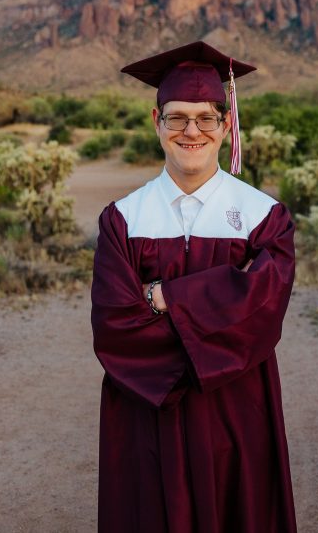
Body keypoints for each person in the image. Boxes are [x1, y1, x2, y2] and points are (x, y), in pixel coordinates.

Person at [90, 41, 298, 532]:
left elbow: (263, 310)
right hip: (148, 412)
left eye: (206, 118)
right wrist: (219, 305)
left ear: (226, 125)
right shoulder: (123, 219)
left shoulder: (263, 217)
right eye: (177, 118)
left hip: (236, 413)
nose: (191, 131)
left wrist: (163, 298)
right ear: (156, 122)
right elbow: (115, 324)